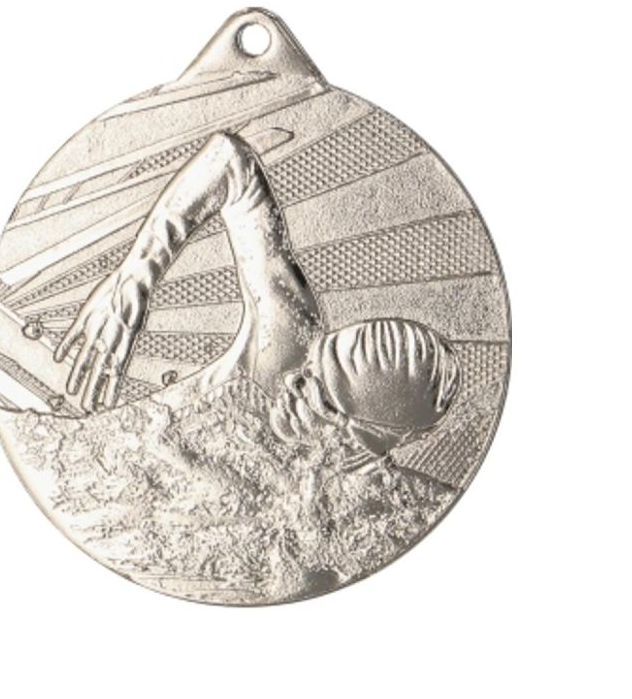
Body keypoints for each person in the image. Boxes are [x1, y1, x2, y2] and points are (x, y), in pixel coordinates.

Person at [55, 132, 460, 457]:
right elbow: (230, 160)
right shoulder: (286, 344)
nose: (293, 377)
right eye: (315, 358)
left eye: (319, 389)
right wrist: (135, 276)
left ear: (365, 439)